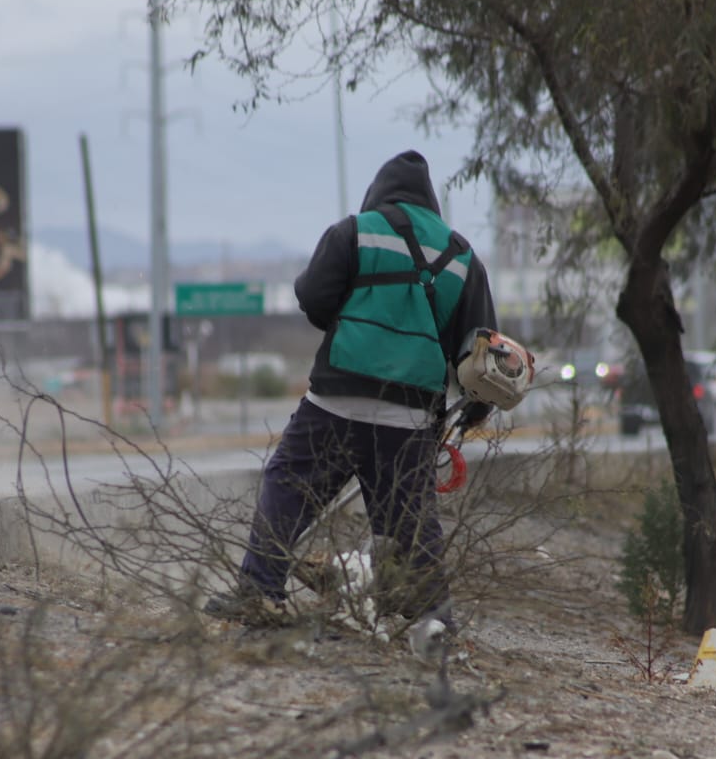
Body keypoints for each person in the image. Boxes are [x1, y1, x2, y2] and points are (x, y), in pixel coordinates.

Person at [204, 150, 499, 629]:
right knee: (411, 522)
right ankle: (432, 621)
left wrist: (348, 320)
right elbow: (478, 347)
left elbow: (312, 297)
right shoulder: (462, 256)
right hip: (410, 416)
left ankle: (259, 592)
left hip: (336, 399)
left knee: (288, 486)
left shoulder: (355, 230)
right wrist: (473, 411)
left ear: (379, 192)